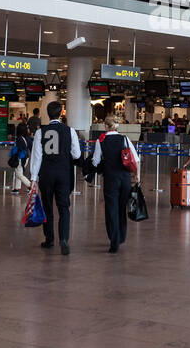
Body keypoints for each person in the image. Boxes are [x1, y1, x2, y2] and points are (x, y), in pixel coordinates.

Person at [30, 100, 82, 254]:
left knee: (47, 207)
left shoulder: (40, 132)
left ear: (47, 113)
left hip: (46, 174)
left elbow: (37, 157)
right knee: (64, 207)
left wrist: (33, 178)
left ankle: (49, 239)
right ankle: (64, 239)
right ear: (61, 113)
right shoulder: (70, 131)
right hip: (64, 173)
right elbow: (77, 154)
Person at [92, 115, 140, 253]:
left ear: (106, 126)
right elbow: (135, 158)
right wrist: (137, 175)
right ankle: (122, 236)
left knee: (111, 209)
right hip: (124, 178)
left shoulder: (100, 140)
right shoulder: (124, 139)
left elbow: (95, 161)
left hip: (110, 179)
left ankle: (114, 241)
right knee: (121, 208)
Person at [9, 120, 31, 194]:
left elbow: (18, 149)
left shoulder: (19, 139)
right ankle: (16, 188)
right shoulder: (28, 138)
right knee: (19, 172)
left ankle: (30, 186)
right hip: (26, 157)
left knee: (19, 174)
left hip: (20, 158)